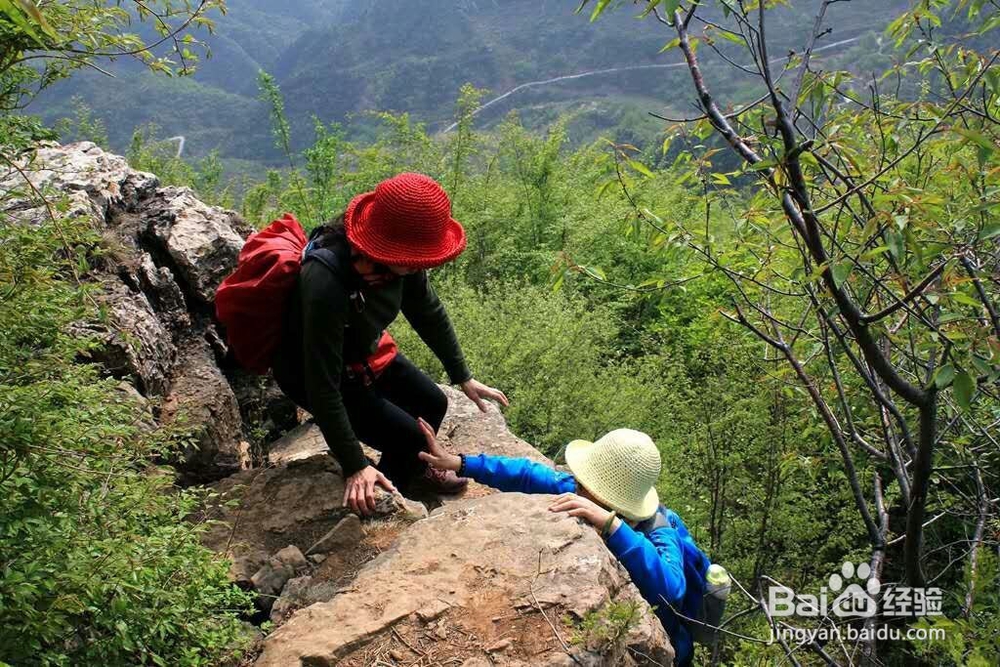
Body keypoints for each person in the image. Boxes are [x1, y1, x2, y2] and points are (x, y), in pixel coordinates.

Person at [272, 172, 507, 516]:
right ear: (388, 247)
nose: (422, 265)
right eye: (417, 258)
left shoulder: (403, 264)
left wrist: (462, 375)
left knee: (433, 403)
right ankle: (384, 498)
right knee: (409, 436)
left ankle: (408, 473)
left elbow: (428, 312)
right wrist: (353, 463)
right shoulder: (326, 281)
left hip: (362, 351)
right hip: (313, 370)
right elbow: (321, 383)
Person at [417, 423, 710, 666]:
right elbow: (528, 474)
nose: (576, 486)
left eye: (585, 484)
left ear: (609, 501)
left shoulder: (661, 530)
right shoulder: (583, 493)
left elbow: (672, 587)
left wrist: (612, 526)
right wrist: (463, 463)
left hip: (672, 647)